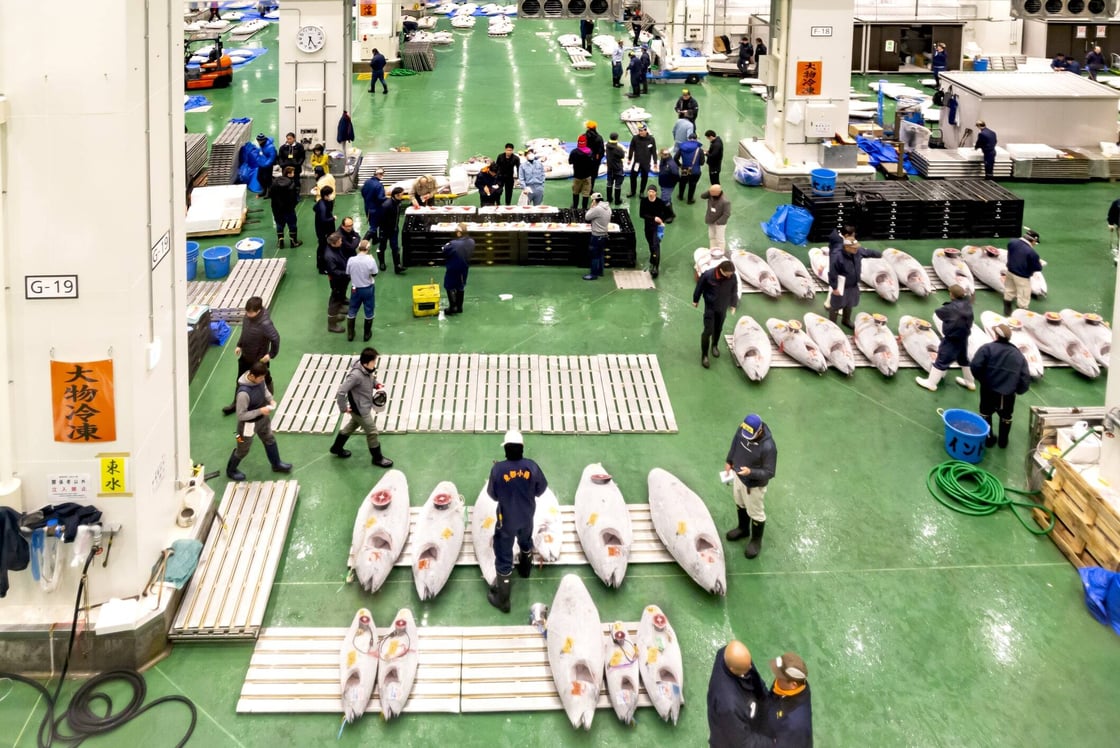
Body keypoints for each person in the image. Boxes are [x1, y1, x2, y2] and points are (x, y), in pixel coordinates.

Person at [485, 429, 549, 612]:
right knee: (525, 541)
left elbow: (493, 495)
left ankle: (503, 600)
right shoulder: (532, 467)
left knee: (503, 553)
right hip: (527, 516)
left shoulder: (498, 470)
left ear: (505, 449)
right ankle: (525, 570)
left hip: (506, 520)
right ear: (522, 448)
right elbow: (540, 490)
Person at [225, 361, 291, 480]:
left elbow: (264, 389)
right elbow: (241, 415)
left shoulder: (260, 379)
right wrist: (261, 410)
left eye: (263, 378)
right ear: (251, 376)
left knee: (270, 439)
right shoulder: (243, 394)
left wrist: (270, 400)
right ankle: (231, 470)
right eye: (260, 378)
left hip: (263, 420)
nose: (262, 380)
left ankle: (276, 464)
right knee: (242, 449)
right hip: (247, 426)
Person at [329, 347, 394, 468]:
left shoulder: (366, 369)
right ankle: (377, 458)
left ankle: (336, 448)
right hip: (360, 410)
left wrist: (377, 384)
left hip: (363, 406)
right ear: (365, 363)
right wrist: (343, 408)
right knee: (372, 432)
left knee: (351, 426)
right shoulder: (355, 376)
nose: (375, 364)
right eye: (373, 362)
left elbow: (370, 378)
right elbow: (341, 392)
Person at [723, 413, 777, 558]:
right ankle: (743, 529)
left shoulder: (768, 447)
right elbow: (735, 444)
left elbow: (769, 472)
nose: (745, 435)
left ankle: (756, 540)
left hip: (753, 486)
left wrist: (751, 472)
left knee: (756, 513)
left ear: (759, 431)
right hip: (738, 476)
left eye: (750, 435)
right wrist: (729, 461)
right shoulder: (743, 430)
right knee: (739, 502)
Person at [971, 323, 1032, 449]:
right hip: (1007, 394)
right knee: (1006, 417)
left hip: (988, 390)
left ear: (996, 335)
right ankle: (1003, 442)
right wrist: (1017, 390)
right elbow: (1025, 376)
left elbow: (975, 366)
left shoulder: (987, 348)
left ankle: (988, 439)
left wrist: (983, 380)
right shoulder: (1018, 354)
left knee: (985, 414)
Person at [222, 296, 279, 416]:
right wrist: (239, 345)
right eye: (247, 311)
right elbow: (245, 331)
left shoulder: (265, 323)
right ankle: (237, 403)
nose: (248, 314)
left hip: (259, 359)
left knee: (263, 379)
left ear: (258, 311)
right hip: (246, 355)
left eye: (251, 312)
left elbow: (275, 338)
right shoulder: (247, 317)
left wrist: (271, 354)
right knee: (240, 380)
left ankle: (267, 402)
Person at [707, 640, 769, 748]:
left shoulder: (734, 657)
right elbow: (743, 743)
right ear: (732, 670)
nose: (750, 667)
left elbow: (756, 679)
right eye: (746, 669)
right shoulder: (728, 705)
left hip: (746, 717)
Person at [916, 284, 976, 392]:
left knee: (941, 360)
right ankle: (970, 382)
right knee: (963, 359)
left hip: (952, 340)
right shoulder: (968, 305)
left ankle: (931, 383)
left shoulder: (949, 308)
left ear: (951, 295)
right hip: (964, 337)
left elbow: (939, 313)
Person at [827, 225, 880, 329]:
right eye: (854, 248)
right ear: (847, 247)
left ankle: (846, 320)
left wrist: (881, 254)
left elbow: (868, 252)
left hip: (853, 284)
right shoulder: (837, 256)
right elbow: (832, 272)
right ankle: (832, 325)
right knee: (836, 305)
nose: (857, 250)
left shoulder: (857, 251)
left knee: (849, 303)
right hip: (841, 286)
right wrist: (834, 287)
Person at [761, 652, 814, 746]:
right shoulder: (787, 685)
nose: (776, 677)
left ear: (793, 685)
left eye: (779, 676)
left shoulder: (794, 724)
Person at [693, 260, 737, 368]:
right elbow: (699, 287)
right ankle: (704, 356)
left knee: (718, 328)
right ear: (722, 270)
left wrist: (733, 304)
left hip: (723, 307)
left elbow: (734, 290)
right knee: (708, 331)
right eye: (728, 273)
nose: (730, 275)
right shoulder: (708, 275)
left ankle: (715, 345)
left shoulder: (732, 277)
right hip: (711, 308)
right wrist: (696, 299)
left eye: (731, 273)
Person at [1003, 229, 1042, 315]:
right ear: (1033, 240)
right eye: (1035, 242)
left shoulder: (1012, 242)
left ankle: (1007, 309)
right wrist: (1039, 264)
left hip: (1010, 271)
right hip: (1022, 277)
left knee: (1009, 290)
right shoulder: (1032, 253)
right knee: (1023, 296)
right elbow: (1038, 268)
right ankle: (1021, 314)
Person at [345, 240, 379, 342]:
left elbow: (348, 273)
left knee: (352, 310)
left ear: (358, 248)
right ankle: (366, 334)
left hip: (355, 289)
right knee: (369, 311)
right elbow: (374, 273)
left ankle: (350, 335)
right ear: (368, 249)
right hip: (368, 289)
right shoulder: (370, 260)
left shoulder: (351, 260)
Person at [442, 223, 475, 315]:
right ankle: (459, 307)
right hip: (464, 268)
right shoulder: (471, 242)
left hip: (453, 267)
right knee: (460, 286)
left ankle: (453, 307)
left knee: (449, 285)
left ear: (459, 233)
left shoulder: (453, 244)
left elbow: (445, 251)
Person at [270, 165, 301, 249]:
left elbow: (270, 194)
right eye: (293, 172)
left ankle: (280, 242)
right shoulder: (292, 184)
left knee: (279, 224)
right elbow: (295, 198)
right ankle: (293, 242)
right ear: (289, 174)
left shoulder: (275, 182)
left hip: (277, 209)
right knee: (292, 225)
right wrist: (293, 205)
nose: (294, 174)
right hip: (289, 209)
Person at [639, 186, 667, 278]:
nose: (650, 193)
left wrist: (662, 221)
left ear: (655, 193)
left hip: (657, 227)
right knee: (651, 244)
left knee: (655, 246)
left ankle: (655, 267)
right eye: (649, 191)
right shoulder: (644, 201)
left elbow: (667, 214)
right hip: (648, 226)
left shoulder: (660, 202)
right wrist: (653, 218)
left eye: (652, 192)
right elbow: (641, 214)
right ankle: (653, 257)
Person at [323, 232, 349, 334]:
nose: (341, 242)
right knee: (334, 300)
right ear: (334, 243)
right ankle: (332, 324)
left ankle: (339, 308)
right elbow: (334, 272)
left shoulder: (336, 249)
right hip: (337, 281)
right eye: (340, 241)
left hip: (342, 280)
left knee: (340, 295)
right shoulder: (329, 256)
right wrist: (347, 273)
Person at [377, 187, 406, 274]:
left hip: (394, 229)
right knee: (382, 247)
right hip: (385, 230)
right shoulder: (386, 205)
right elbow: (381, 219)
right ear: (396, 195)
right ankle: (382, 263)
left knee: (395, 248)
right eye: (401, 195)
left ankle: (397, 266)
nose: (403, 196)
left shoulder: (398, 203)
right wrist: (384, 229)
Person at [584, 192, 611, 280]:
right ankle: (600, 271)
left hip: (596, 235)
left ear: (594, 200)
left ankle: (593, 274)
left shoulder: (597, 209)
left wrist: (592, 207)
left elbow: (587, 217)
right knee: (600, 254)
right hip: (604, 234)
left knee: (594, 255)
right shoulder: (608, 207)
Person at [626, 123, 657, 197]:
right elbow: (631, 148)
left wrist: (655, 162)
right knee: (633, 177)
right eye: (639, 131)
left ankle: (641, 192)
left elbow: (653, 151)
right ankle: (633, 192)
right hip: (637, 162)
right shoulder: (635, 138)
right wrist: (629, 158)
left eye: (642, 131)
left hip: (646, 163)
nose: (640, 132)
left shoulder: (651, 139)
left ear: (646, 131)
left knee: (644, 177)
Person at [568, 135, 597, 211]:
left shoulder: (574, 152)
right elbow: (593, 163)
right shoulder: (590, 152)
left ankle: (575, 207)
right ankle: (584, 209)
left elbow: (570, 162)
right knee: (586, 193)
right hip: (587, 176)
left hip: (577, 176)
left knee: (576, 192)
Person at [313, 185, 336, 274]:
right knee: (323, 247)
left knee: (322, 246)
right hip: (323, 231)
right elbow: (323, 220)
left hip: (322, 229)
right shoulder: (323, 206)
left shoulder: (321, 202)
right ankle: (322, 268)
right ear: (326, 195)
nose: (331, 196)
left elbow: (314, 208)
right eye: (330, 194)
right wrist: (333, 218)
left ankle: (320, 264)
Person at [700, 184, 731, 250]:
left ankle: (721, 252)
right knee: (712, 237)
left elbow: (726, 214)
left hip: (720, 224)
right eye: (710, 191)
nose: (710, 193)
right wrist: (709, 191)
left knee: (720, 239)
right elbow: (702, 196)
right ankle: (712, 250)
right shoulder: (711, 195)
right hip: (711, 221)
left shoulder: (725, 201)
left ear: (717, 192)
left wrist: (717, 222)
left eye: (712, 192)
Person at [676, 132, 704, 204]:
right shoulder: (699, 150)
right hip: (695, 171)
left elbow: (675, 158)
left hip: (685, 169)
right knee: (692, 184)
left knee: (682, 182)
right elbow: (702, 163)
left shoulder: (682, 148)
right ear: (696, 139)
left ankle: (680, 196)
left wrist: (680, 165)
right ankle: (690, 199)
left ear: (688, 139)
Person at [361, 169, 386, 239]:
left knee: (372, 224)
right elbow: (380, 198)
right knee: (373, 228)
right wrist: (387, 198)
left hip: (367, 208)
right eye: (382, 174)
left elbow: (362, 192)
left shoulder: (367, 182)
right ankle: (363, 243)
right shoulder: (379, 185)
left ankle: (375, 240)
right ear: (379, 175)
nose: (382, 176)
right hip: (376, 209)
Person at [658, 148, 679, 222]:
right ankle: (667, 213)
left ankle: (670, 215)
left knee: (665, 199)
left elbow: (676, 175)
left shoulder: (671, 164)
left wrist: (672, 182)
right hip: (663, 183)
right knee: (667, 199)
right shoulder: (663, 161)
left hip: (668, 185)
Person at [604, 132, 626, 205]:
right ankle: (617, 201)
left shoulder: (607, 146)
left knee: (609, 184)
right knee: (618, 185)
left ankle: (609, 199)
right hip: (618, 169)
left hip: (610, 169)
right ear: (617, 138)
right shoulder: (618, 149)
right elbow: (622, 155)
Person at [584, 121, 605, 193]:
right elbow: (601, 150)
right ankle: (590, 189)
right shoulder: (599, 138)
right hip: (594, 161)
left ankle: (583, 187)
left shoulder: (583, 137)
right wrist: (598, 159)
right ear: (595, 128)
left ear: (587, 128)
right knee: (592, 176)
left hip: (585, 160)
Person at [254, 133, 276, 199]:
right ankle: (264, 190)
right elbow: (259, 154)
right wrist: (259, 161)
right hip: (261, 164)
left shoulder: (271, 147)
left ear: (264, 140)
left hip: (268, 166)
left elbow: (272, 157)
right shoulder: (261, 145)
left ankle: (269, 193)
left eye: (260, 141)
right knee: (259, 177)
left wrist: (266, 164)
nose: (259, 142)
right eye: (258, 141)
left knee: (268, 179)